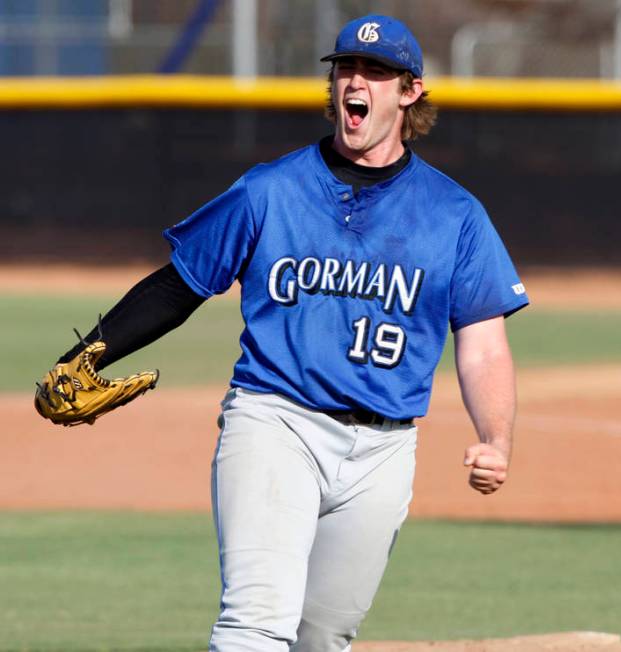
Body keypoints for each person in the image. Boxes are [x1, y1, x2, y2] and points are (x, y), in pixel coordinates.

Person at [38, 14, 528, 652]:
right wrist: (85, 355)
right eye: (346, 67)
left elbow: (484, 340)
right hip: (276, 423)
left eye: (376, 71)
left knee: (323, 637)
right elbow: (177, 286)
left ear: (410, 92)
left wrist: (496, 438)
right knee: (255, 624)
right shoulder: (269, 191)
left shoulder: (455, 215)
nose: (357, 81)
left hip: (385, 451)